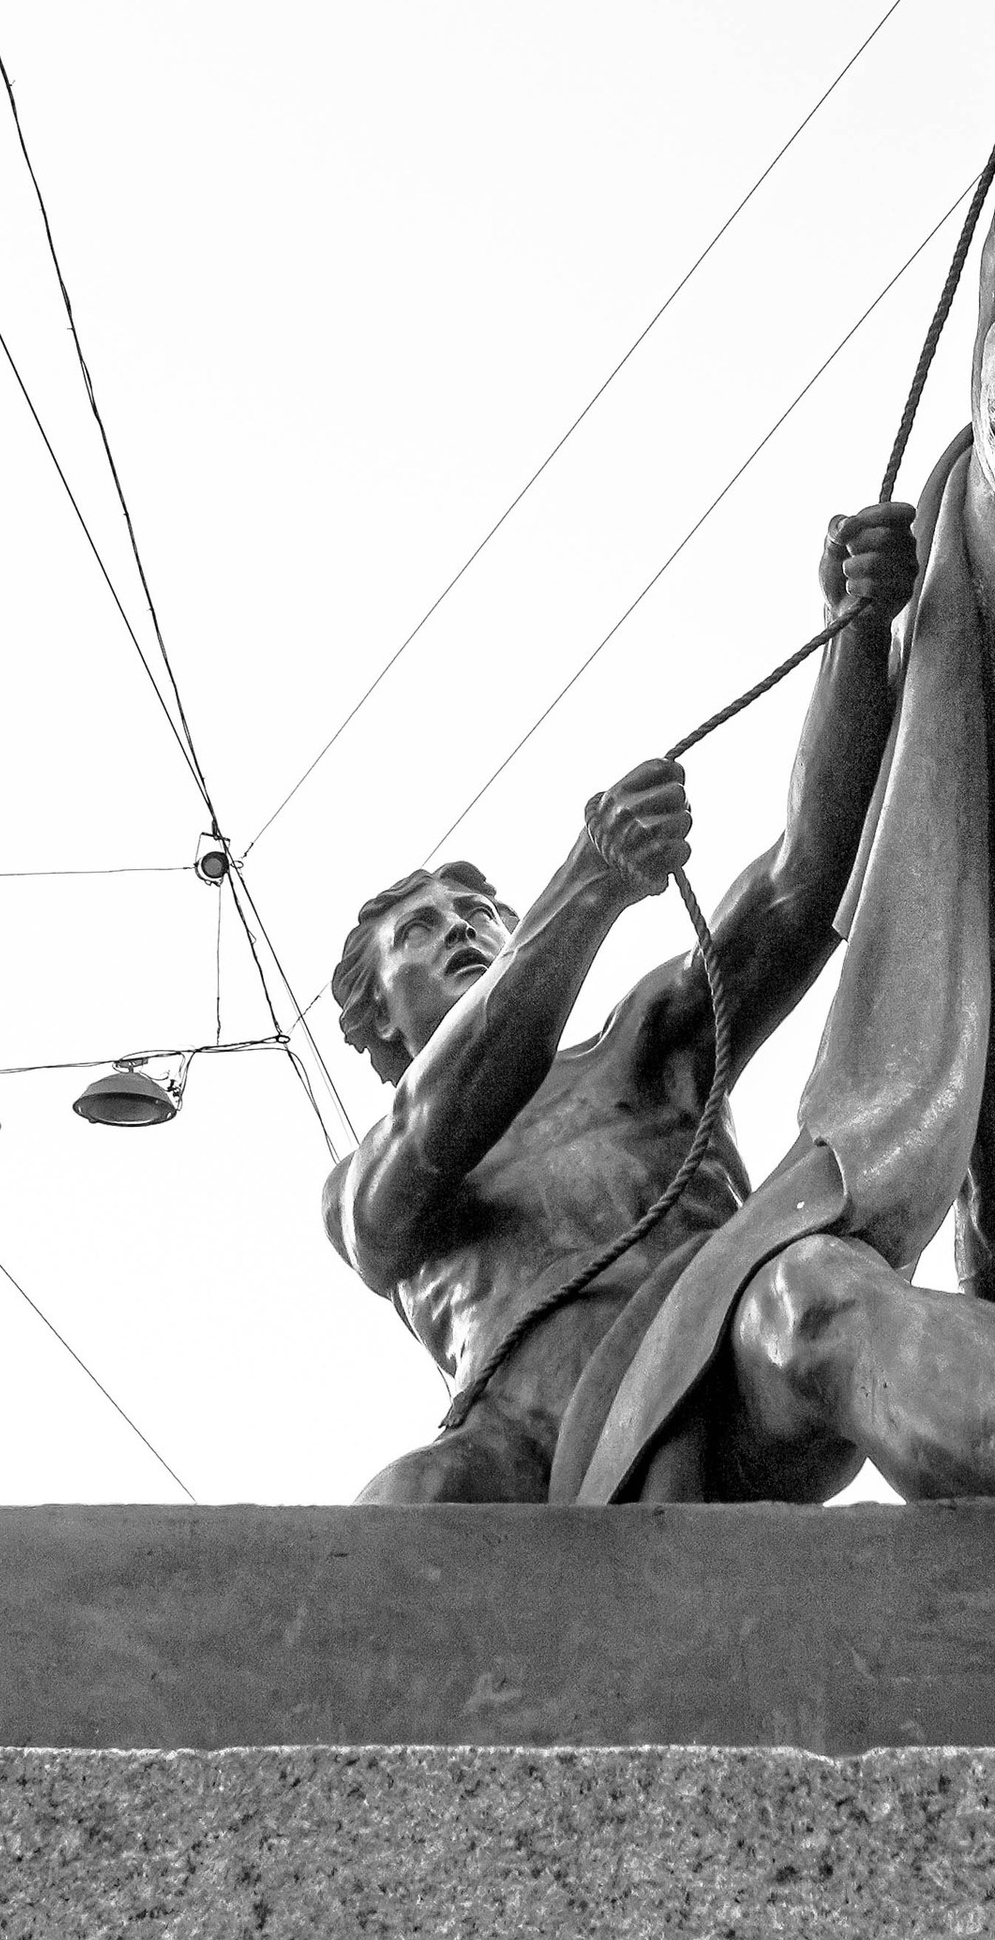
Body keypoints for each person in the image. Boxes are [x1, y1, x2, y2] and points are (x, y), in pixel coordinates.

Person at [322, 501, 917, 1501]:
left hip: (726, 1383)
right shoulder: (364, 1182)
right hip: (524, 1456)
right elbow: (439, 1119)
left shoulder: (645, 1043)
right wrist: (586, 884)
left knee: (821, 1300)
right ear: (377, 1015)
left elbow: (804, 881)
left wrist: (855, 633)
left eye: (480, 913)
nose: (462, 929)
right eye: (418, 931)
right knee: (405, 1501)